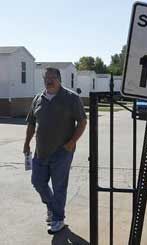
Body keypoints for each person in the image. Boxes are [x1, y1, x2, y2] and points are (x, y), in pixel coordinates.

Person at [23, 67, 87, 234]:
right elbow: (31, 123)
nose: (48, 80)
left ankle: (58, 219)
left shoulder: (71, 98)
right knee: (37, 182)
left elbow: (82, 122)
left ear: (59, 79)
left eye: (52, 77)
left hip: (62, 151)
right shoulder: (38, 98)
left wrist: (72, 142)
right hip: (40, 151)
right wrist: (26, 143)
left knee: (59, 187)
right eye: (46, 77)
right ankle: (52, 207)